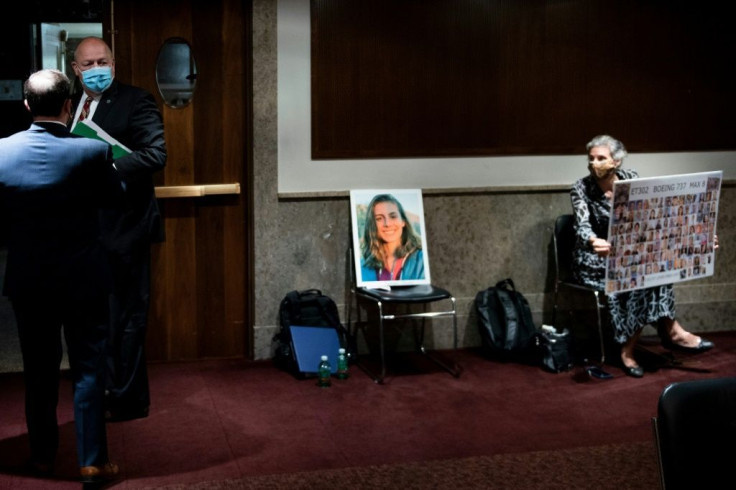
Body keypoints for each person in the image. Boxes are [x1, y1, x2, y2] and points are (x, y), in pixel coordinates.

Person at [0, 69, 123, 481]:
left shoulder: (1, 152)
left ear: (27, 106)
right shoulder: (90, 153)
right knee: (88, 369)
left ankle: (41, 457)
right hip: (82, 278)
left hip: (29, 281)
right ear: (69, 106)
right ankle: (91, 462)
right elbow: (115, 199)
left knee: (38, 370)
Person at [71, 36, 167, 421]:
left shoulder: (136, 100)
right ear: (76, 70)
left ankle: (129, 399)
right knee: (98, 320)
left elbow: (156, 154)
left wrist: (107, 168)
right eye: (89, 64)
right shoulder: (70, 105)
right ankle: (106, 388)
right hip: (85, 231)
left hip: (126, 228)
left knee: (127, 318)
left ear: (114, 63)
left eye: (103, 61)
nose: (98, 69)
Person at [570, 134, 715, 378]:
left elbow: (654, 218)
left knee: (652, 269)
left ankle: (630, 348)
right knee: (643, 272)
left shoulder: (631, 180)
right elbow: (582, 225)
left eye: (601, 158)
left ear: (616, 161)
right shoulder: (581, 187)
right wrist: (594, 240)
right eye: (591, 158)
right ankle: (669, 331)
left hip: (630, 253)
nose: (595, 163)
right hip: (594, 259)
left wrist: (697, 237)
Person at [360, 193, 425, 282]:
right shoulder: (362, 267)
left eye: (393, 216)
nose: (387, 223)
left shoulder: (422, 259)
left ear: (403, 221)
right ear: (372, 226)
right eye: (379, 218)